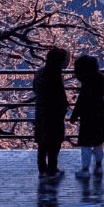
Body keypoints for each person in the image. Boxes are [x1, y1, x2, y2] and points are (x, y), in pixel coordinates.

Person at [70, 55, 104, 178]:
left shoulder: (86, 84)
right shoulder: (100, 79)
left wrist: (74, 115)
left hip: (87, 117)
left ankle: (85, 169)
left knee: (86, 144)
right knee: (98, 142)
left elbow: (81, 102)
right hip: (100, 115)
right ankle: (98, 166)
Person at [33, 47, 69, 179]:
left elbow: (34, 88)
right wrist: (64, 108)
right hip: (54, 115)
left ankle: (42, 169)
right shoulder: (55, 75)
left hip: (41, 113)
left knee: (42, 144)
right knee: (54, 143)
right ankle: (52, 169)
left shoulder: (40, 72)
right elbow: (60, 97)